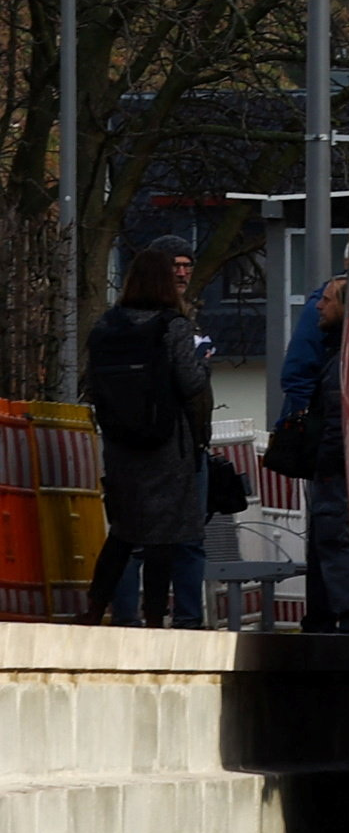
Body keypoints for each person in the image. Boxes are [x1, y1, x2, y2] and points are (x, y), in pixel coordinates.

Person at [79, 242, 212, 631]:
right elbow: (189, 383)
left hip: (120, 444)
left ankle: (97, 607)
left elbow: (93, 384)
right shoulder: (173, 325)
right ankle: (156, 617)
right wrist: (204, 367)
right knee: (165, 535)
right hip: (166, 444)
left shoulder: (106, 326)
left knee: (123, 532)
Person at [274, 271, 349, 631]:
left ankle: (341, 620)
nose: (317, 307)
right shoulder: (348, 356)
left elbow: (335, 423)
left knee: (332, 538)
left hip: (332, 470)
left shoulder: (337, 363)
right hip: (338, 468)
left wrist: (321, 461)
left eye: (326, 300)